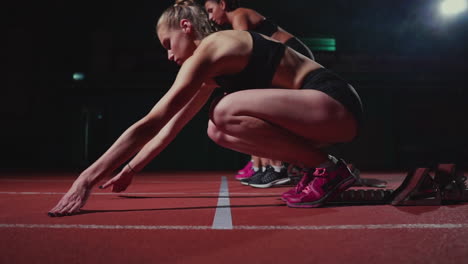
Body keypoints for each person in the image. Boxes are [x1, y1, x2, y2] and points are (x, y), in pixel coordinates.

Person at [48, 0, 363, 216]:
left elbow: (151, 121)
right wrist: (130, 170)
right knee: (217, 129)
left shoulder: (214, 48)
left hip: (333, 101)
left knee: (223, 111)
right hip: (320, 117)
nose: (169, 56)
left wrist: (85, 180)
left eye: (168, 45)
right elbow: (171, 126)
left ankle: (330, 168)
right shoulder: (213, 69)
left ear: (185, 26)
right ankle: (321, 166)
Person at [203, 0, 314, 185]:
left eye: (210, 10)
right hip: (281, 61)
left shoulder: (239, 15)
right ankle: (268, 166)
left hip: (296, 55)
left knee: (268, 114)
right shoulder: (236, 22)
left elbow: (246, 50)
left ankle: (279, 168)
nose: (210, 17)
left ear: (222, 4)